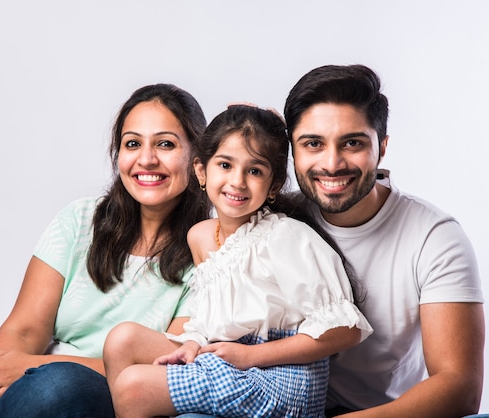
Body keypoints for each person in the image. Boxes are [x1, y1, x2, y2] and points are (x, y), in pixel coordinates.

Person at [0, 83, 210, 418]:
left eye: (165, 144)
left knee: (56, 385)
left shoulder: (209, 255)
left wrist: (34, 367)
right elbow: (22, 331)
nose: (146, 159)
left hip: (92, 396)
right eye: (132, 144)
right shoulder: (79, 220)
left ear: (199, 160)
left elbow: (163, 371)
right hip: (23, 390)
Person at [103, 105, 373, 418]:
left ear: (273, 186)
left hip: (283, 376)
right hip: (229, 354)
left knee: (134, 386)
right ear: (202, 172)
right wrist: (193, 343)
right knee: (123, 340)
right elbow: (211, 314)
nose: (238, 181)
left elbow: (345, 331)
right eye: (225, 165)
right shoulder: (201, 236)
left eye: (255, 170)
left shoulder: (285, 236)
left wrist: (251, 356)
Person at [283, 64, 485, 417]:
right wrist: (250, 125)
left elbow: (460, 385)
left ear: (383, 147)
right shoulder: (276, 218)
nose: (332, 164)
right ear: (292, 151)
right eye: (313, 143)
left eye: (353, 143)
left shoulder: (434, 237)